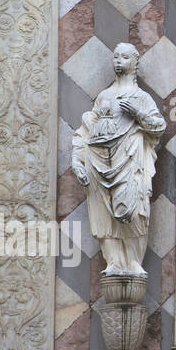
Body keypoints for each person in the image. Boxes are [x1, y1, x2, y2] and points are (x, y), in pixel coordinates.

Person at [72, 43, 167, 276]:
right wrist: (77, 160)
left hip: (131, 161)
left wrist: (138, 114)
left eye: (124, 57)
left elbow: (159, 127)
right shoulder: (104, 96)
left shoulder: (141, 97)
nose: (118, 61)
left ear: (135, 63)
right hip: (99, 161)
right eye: (115, 57)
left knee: (134, 210)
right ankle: (113, 261)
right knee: (104, 213)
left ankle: (134, 261)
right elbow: (86, 129)